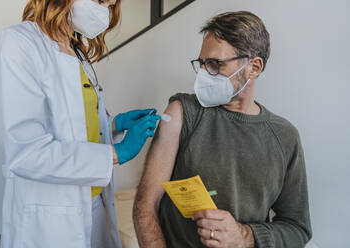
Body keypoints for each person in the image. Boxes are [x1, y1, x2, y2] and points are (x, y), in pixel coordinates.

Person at [0, 0, 160, 247]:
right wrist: (116, 154)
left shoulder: (76, 52)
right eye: (100, 0)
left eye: (111, 2)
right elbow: (27, 153)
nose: (106, 8)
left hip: (95, 203)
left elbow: (76, 126)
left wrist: (114, 124)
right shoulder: (15, 44)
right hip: (51, 221)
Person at [133, 11, 312, 248]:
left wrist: (244, 235)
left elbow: (297, 228)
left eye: (215, 64)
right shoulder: (183, 112)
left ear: (254, 67)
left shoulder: (285, 137)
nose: (204, 74)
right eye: (202, 63)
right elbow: (145, 206)